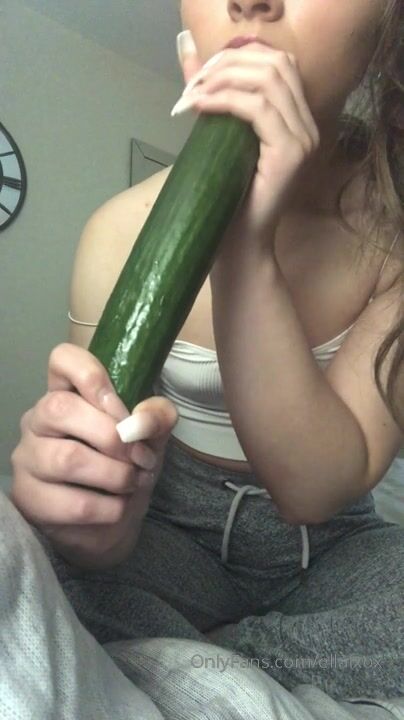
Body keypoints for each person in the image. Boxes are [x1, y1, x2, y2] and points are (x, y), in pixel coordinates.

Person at [9, 0, 404, 715]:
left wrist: (243, 245)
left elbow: (315, 492)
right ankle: (242, 657)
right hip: (172, 530)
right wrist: (89, 512)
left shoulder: (394, 236)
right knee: (50, 572)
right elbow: (100, 493)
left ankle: (205, 653)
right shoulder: (113, 233)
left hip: (331, 548)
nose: (250, 1)